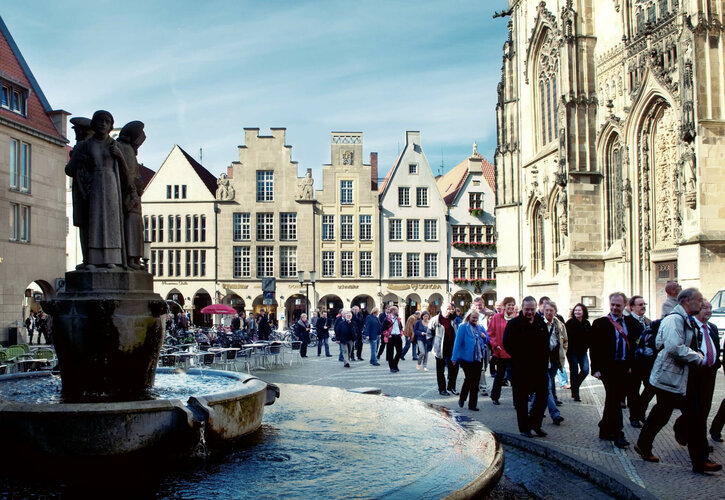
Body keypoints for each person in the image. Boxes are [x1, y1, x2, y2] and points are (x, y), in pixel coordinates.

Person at [636, 290, 722, 473]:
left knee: (695, 417)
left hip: (680, 377)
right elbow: (674, 348)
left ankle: (700, 460)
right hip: (670, 377)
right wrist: (697, 356)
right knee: (663, 414)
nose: (702, 304)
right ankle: (644, 444)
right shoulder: (675, 319)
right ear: (688, 301)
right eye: (699, 301)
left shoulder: (685, 319)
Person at [64, 110, 126, 268]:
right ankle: (93, 259)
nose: (103, 124)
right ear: (94, 124)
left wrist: (119, 156)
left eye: (107, 122)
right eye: (100, 121)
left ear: (111, 126)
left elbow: (125, 173)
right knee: (95, 221)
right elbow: (70, 169)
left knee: (111, 221)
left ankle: (111, 258)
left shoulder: (114, 145)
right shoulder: (86, 145)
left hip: (111, 182)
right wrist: (78, 160)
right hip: (95, 184)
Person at [590, 292, 643, 448]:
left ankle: (604, 428)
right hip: (608, 368)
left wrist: (633, 366)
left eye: (618, 305)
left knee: (613, 399)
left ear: (624, 305)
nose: (614, 307)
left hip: (624, 368)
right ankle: (618, 434)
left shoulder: (630, 323)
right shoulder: (600, 323)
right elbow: (594, 348)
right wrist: (595, 369)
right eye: (612, 304)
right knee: (615, 399)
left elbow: (635, 345)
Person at [503, 296, 549, 438]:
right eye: (527, 309)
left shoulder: (540, 322)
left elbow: (545, 342)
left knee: (543, 396)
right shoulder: (514, 324)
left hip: (539, 367)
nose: (530, 312)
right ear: (522, 308)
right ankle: (524, 428)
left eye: (532, 309)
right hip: (520, 367)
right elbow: (507, 344)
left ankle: (536, 424)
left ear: (536, 308)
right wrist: (520, 356)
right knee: (521, 399)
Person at [115, 120, 146, 269]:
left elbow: (135, 174)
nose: (139, 146)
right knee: (130, 229)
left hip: (134, 197)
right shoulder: (123, 148)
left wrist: (138, 186)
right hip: (127, 195)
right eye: (139, 142)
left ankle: (134, 259)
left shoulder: (130, 151)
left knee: (136, 230)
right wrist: (132, 186)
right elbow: (124, 172)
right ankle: (129, 259)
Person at [629, 295, 654, 427]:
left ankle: (640, 411)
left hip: (647, 362)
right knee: (633, 390)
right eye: (640, 304)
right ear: (632, 307)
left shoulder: (648, 321)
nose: (643, 307)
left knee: (651, 387)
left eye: (644, 304)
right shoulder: (627, 321)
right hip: (634, 362)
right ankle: (634, 417)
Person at [452, 310, 485, 411]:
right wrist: (454, 357)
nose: (475, 320)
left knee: (474, 381)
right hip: (466, 358)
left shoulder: (480, 327)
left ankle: (472, 404)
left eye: (476, 318)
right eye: (473, 318)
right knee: (470, 379)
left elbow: (487, 338)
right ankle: (462, 398)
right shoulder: (463, 327)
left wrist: (484, 337)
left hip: (478, 357)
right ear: (468, 317)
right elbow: (457, 342)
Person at [541, 301, 567, 422]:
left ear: (555, 311)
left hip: (555, 359)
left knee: (543, 387)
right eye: (547, 310)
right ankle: (555, 414)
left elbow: (565, 340)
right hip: (543, 360)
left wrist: (563, 353)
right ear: (543, 310)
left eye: (551, 310)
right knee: (546, 387)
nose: (549, 313)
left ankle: (532, 409)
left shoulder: (559, 324)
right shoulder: (539, 323)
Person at [488, 297, 515, 405]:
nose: (511, 307)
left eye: (512, 305)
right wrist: (495, 345)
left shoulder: (516, 318)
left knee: (514, 377)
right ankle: (495, 396)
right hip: (500, 352)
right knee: (499, 375)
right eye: (509, 305)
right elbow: (490, 333)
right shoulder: (496, 317)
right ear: (504, 306)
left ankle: (517, 400)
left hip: (513, 353)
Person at [429, 303, 459, 396]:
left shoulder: (452, 319)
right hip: (440, 349)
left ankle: (451, 387)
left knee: (454, 368)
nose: (449, 310)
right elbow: (429, 334)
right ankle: (442, 389)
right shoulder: (435, 320)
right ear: (442, 308)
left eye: (450, 309)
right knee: (440, 370)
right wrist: (432, 346)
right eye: (447, 308)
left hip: (452, 347)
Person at [565, 303, 591, 402]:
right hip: (572, 351)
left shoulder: (586, 323)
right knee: (574, 371)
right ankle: (575, 394)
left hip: (583, 351)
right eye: (575, 310)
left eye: (579, 310)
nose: (577, 312)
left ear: (583, 312)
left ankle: (575, 386)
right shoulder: (570, 323)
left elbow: (590, 336)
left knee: (585, 370)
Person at [382, 306, 404, 373]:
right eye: (396, 310)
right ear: (393, 311)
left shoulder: (398, 319)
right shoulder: (387, 319)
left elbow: (401, 327)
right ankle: (391, 367)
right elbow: (383, 329)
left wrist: (401, 332)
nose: (397, 311)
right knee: (390, 353)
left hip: (397, 336)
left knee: (400, 351)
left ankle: (395, 364)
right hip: (391, 337)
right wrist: (388, 335)